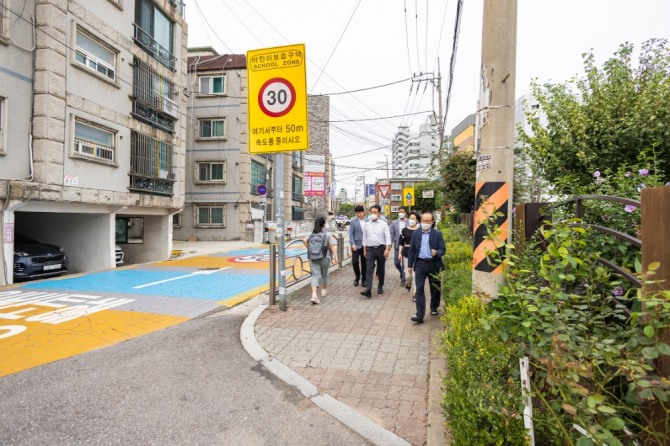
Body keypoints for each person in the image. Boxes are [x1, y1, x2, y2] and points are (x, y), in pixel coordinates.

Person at [407, 212, 446, 323]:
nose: (425, 223)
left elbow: (443, 249)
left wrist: (436, 252)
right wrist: (410, 265)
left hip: (434, 263)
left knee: (435, 287)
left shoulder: (437, 234)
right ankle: (419, 315)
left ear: (432, 222)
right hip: (420, 263)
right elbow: (412, 251)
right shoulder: (416, 234)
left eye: (428, 221)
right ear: (420, 221)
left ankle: (434, 307)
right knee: (419, 288)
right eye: (424, 221)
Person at [303, 217, 338, 304]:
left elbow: (304, 240)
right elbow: (331, 246)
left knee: (315, 275)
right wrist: (335, 257)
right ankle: (323, 291)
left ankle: (314, 295)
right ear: (323, 225)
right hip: (325, 257)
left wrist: (309, 249)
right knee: (324, 274)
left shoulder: (311, 234)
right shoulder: (327, 234)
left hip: (313, 257)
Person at [360, 204, 391, 298]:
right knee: (369, 269)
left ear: (379, 213)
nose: (373, 214)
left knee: (381, 269)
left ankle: (380, 285)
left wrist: (387, 249)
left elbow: (388, 237)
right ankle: (368, 289)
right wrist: (364, 249)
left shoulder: (384, 224)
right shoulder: (366, 225)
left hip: (381, 249)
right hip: (370, 250)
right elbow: (364, 238)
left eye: (375, 212)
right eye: (371, 212)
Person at [398, 211, 420, 301]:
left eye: (413, 218)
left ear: (417, 220)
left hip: (417, 255)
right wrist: (399, 253)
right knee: (408, 275)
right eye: (410, 218)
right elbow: (400, 243)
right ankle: (409, 283)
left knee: (416, 275)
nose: (411, 220)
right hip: (407, 254)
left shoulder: (419, 230)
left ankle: (415, 294)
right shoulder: (404, 230)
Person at [348, 205, 367, 287]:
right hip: (356, 245)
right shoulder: (353, 222)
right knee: (355, 262)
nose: (358, 214)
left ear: (363, 212)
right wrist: (353, 244)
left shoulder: (368, 221)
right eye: (357, 213)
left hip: (365, 246)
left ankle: (364, 279)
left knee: (364, 263)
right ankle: (357, 277)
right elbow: (351, 233)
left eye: (360, 212)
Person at [390, 206, 409, 286]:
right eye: (399, 212)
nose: (400, 213)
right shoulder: (394, 223)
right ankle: (402, 272)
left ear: (405, 213)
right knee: (397, 262)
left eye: (402, 212)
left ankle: (403, 279)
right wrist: (389, 245)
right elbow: (391, 234)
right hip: (397, 246)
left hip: (407, 245)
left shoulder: (409, 222)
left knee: (405, 264)